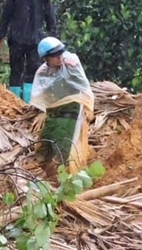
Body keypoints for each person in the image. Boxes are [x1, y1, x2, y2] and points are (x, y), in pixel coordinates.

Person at [0, 0, 57, 104]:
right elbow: (50, 18)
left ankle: (14, 102)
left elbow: (6, 15)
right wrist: (52, 39)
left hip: (16, 39)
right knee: (32, 71)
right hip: (36, 41)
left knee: (15, 71)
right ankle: (28, 103)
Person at [31, 37, 95, 175]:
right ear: (46, 58)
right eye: (54, 55)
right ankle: (53, 178)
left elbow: (83, 85)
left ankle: (69, 185)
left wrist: (74, 67)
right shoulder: (44, 72)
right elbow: (42, 92)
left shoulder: (70, 66)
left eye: (60, 53)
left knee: (64, 152)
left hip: (68, 115)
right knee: (42, 150)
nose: (59, 57)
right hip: (52, 115)